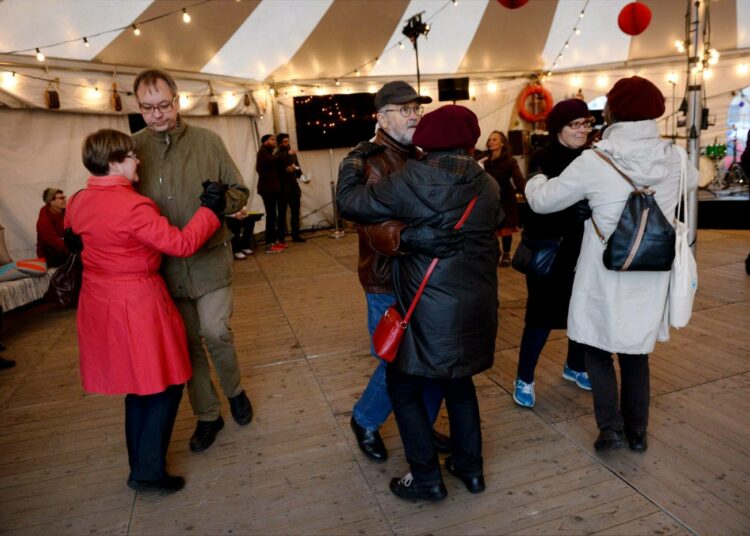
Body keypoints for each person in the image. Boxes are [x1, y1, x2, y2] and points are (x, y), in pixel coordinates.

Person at [524, 76, 698, 452]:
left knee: (597, 348)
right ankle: (638, 433)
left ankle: (611, 430)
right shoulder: (676, 158)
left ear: (612, 112)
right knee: (636, 353)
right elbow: (694, 182)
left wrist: (535, 176)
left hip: (604, 269)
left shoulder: (596, 158)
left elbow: (543, 201)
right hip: (651, 270)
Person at [338, 105, 502, 502]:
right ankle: (471, 468)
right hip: (477, 306)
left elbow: (350, 204)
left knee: (404, 386)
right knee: (459, 383)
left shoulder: (411, 178)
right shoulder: (489, 184)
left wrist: (352, 162)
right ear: (472, 139)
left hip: (426, 307)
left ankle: (426, 479)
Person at [65, 128, 225, 492]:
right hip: (135, 300)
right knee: (163, 384)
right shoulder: (132, 205)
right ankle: (148, 472)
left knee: (137, 388)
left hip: (98, 299)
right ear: (113, 163)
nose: (138, 160)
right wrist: (209, 210)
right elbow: (181, 244)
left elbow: (73, 235)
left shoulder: (77, 200)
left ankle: (141, 465)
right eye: (131, 156)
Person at [133, 69, 253, 454]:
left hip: (208, 259)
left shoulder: (208, 141)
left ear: (178, 100)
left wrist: (223, 202)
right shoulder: (131, 149)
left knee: (215, 331)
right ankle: (208, 415)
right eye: (147, 108)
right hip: (162, 268)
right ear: (139, 108)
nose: (157, 115)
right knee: (185, 345)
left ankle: (234, 390)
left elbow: (240, 192)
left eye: (163, 105)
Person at [344, 81, 455, 464]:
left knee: (426, 357)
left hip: (425, 275)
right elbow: (363, 221)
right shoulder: (369, 160)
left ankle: (419, 429)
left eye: (416, 109)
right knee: (395, 359)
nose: (413, 115)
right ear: (381, 117)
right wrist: (410, 238)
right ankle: (366, 419)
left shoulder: (422, 156)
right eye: (404, 109)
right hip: (387, 278)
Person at [512, 99, 594, 408]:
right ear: (559, 127)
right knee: (540, 317)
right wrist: (571, 211)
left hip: (583, 250)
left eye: (586, 123)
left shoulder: (592, 157)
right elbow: (535, 209)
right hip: (549, 252)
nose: (583, 129)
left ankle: (576, 366)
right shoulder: (542, 157)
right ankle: (524, 377)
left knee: (580, 311)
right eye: (576, 124)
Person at [477, 131, 526, 266]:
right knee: (490, 229)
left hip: (505, 199)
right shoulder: (483, 159)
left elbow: (518, 180)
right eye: (490, 139)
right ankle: (496, 252)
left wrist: (528, 193)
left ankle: (506, 254)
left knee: (505, 229)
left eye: (494, 139)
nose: (491, 142)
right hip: (488, 199)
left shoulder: (510, 161)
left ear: (502, 143)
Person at [256, 134, 290, 253]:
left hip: (272, 189)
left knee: (273, 216)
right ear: (265, 142)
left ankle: (274, 241)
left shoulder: (268, 152)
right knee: (271, 216)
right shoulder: (263, 152)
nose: (274, 141)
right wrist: (285, 154)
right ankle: (269, 244)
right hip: (267, 189)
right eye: (271, 139)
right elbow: (271, 161)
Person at [276, 133, 307, 243]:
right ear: (279, 144)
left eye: (288, 141)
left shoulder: (292, 154)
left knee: (295, 213)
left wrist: (303, 177)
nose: (287, 143)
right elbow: (275, 169)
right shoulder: (277, 154)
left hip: (293, 187)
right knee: (282, 214)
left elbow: (297, 168)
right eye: (285, 142)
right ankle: (280, 238)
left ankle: (295, 235)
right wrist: (286, 169)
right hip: (282, 189)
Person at [36, 188, 69, 267]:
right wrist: (70, 251)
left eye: (64, 197)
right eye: (61, 198)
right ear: (51, 201)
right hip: (51, 255)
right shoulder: (45, 216)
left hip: (63, 251)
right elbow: (52, 239)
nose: (65, 200)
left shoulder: (66, 212)